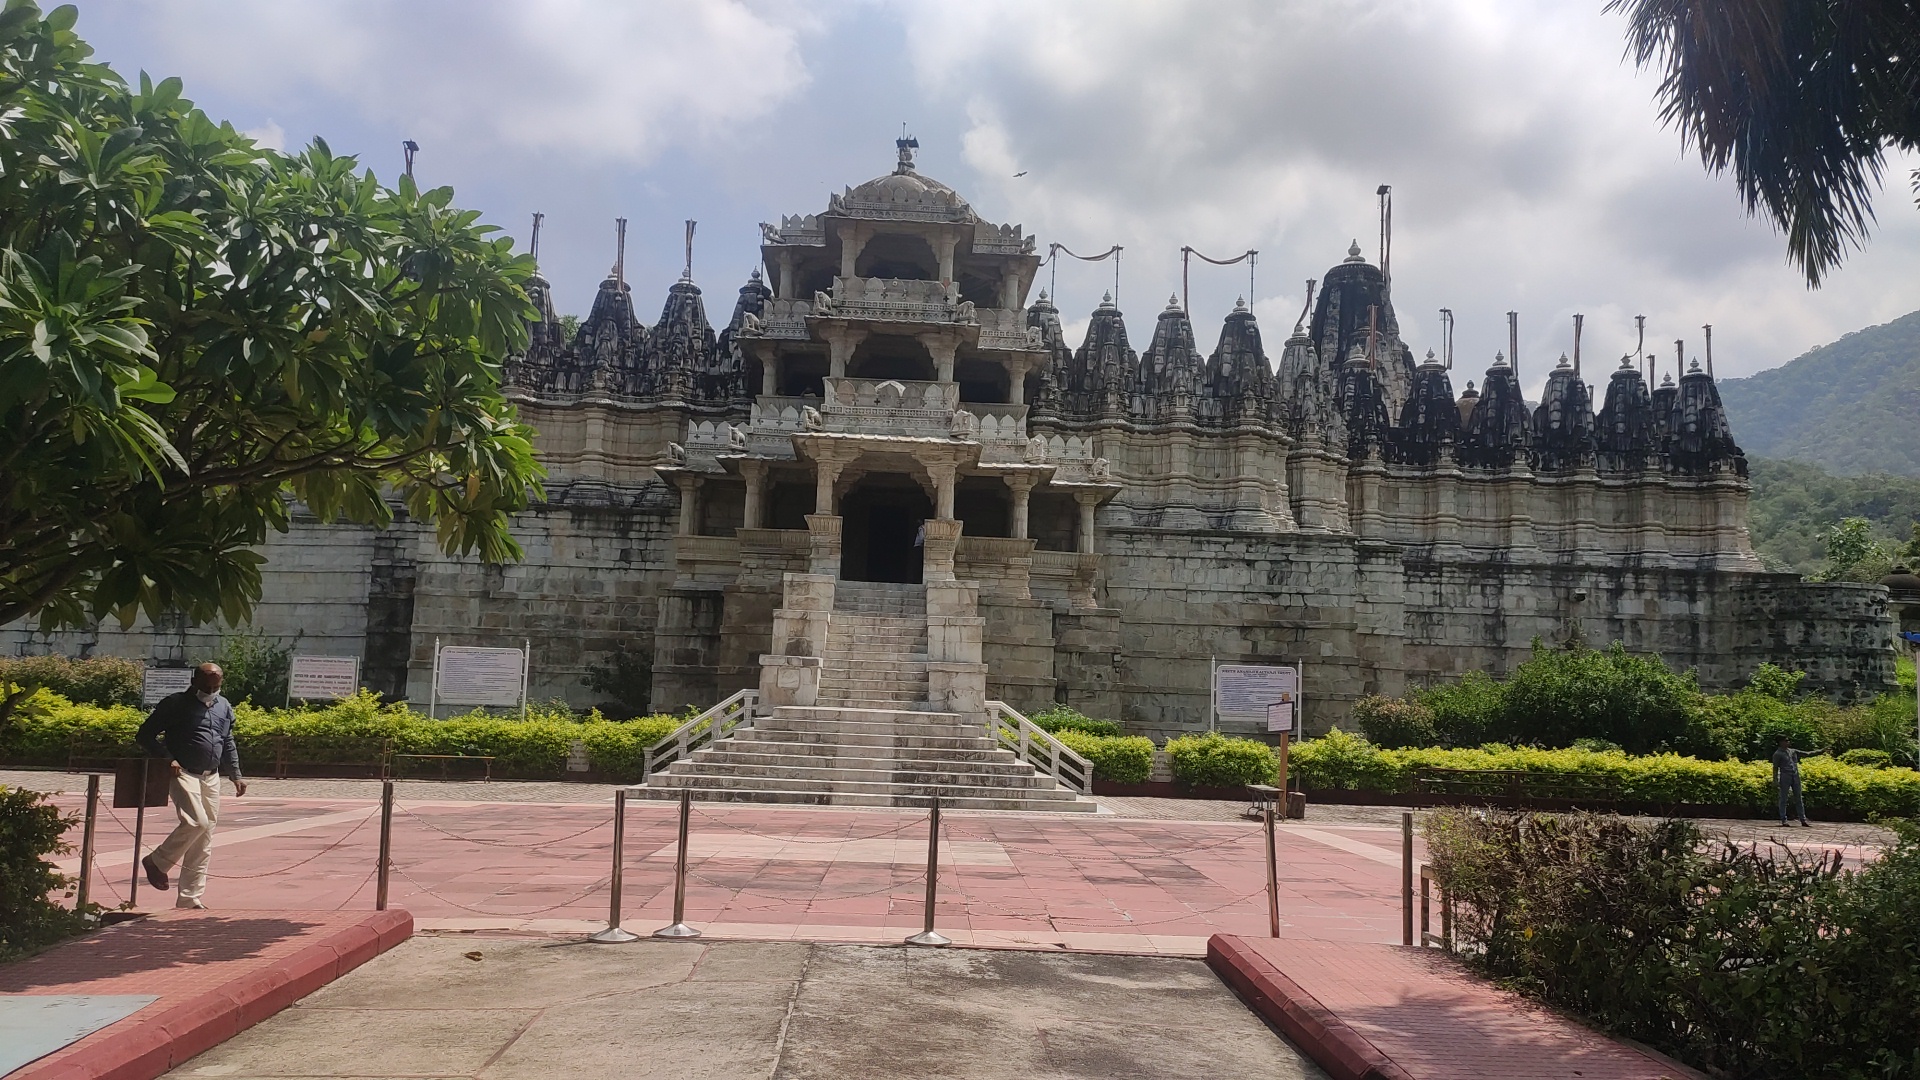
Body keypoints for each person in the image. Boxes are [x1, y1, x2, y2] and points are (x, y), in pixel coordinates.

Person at [136, 662, 246, 907]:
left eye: (215, 686)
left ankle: (189, 897)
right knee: (197, 822)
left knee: (204, 838)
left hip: (211, 776)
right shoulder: (175, 704)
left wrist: (236, 774)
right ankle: (157, 861)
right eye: (206, 685)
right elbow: (144, 734)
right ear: (193, 680)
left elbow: (227, 741)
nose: (210, 690)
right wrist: (168, 758)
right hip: (183, 772)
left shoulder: (224, 706)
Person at [1771, 735, 1816, 827]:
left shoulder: (1792, 751)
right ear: (1780, 742)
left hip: (1795, 776)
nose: (1788, 742)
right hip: (1785, 776)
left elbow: (1807, 754)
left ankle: (1803, 819)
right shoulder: (1777, 754)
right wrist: (1775, 780)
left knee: (1799, 798)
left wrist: (1821, 751)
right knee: (1783, 798)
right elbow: (1775, 768)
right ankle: (1784, 820)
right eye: (1786, 741)